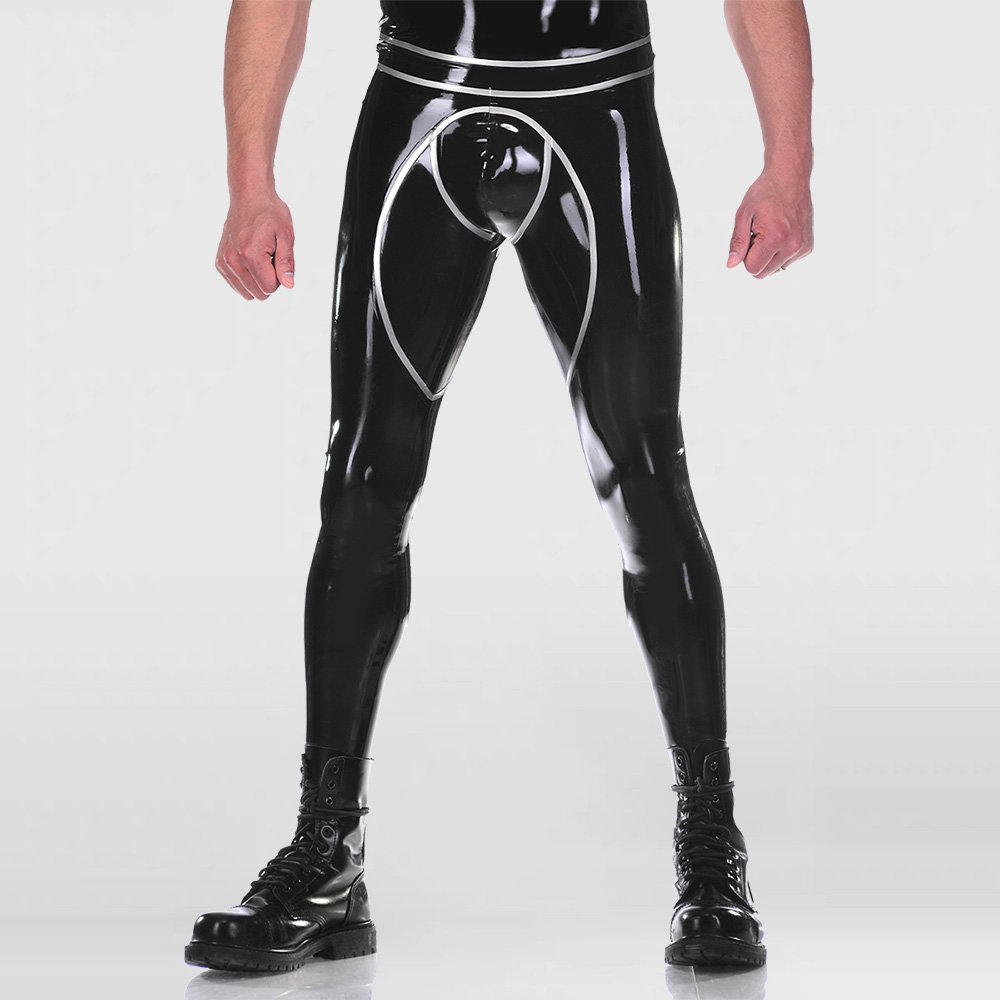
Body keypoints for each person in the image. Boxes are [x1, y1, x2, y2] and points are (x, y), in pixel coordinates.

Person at [185, 0, 814, 974]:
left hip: (596, 107)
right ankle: (327, 852)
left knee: (643, 478)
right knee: (362, 480)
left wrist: (788, 162)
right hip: (420, 106)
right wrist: (250, 181)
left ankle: (711, 852)